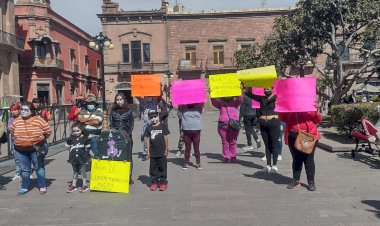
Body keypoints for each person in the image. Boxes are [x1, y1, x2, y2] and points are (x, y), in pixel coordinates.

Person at [10, 103, 52, 195]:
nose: (23, 112)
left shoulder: (38, 120)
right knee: (25, 169)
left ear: (31, 111)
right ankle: (24, 186)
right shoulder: (17, 121)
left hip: (36, 149)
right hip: (20, 149)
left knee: (38, 167)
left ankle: (42, 186)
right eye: (22, 110)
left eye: (26, 110)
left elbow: (48, 130)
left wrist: (40, 139)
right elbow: (12, 131)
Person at [279, 109, 322, 191]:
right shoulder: (289, 105)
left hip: (308, 135)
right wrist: (281, 108)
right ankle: (295, 180)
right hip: (292, 135)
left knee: (308, 159)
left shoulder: (309, 104)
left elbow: (318, 120)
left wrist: (317, 110)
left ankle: (311, 182)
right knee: (296, 159)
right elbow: (282, 118)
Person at [245, 87, 281, 173]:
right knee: (267, 145)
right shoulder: (260, 98)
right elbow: (249, 94)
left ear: (272, 89)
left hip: (274, 122)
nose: (266, 90)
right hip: (263, 123)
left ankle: (274, 166)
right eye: (264, 89)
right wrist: (245, 87)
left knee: (274, 144)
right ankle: (268, 165)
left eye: (268, 88)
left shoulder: (276, 97)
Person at [109, 93, 135, 184]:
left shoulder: (129, 111)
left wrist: (126, 136)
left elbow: (131, 125)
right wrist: (113, 134)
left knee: (128, 157)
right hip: (115, 137)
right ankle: (119, 176)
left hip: (127, 137)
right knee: (116, 156)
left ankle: (128, 176)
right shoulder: (113, 111)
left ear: (124, 99)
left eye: (120, 99)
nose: (119, 101)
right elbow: (111, 124)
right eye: (117, 100)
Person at [211, 95, 243, 163]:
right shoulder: (232, 102)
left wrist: (240, 92)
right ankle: (230, 156)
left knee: (227, 141)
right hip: (230, 123)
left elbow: (240, 99)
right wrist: (212, 95)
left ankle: (228, 156)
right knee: (231, 141)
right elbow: (214, 102)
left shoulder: (225, 102)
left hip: (225, 123)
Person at [144, 110, 170, 191]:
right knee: (153, 168)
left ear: (158, 116)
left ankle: (163, 182)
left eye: (155, 116)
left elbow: (166, 137)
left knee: (163, 167)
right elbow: (147, 140)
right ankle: (154, 182)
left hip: (162, 151)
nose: (153, 119)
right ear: (149, 118)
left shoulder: (163, 126)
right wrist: (148, 152)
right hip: (153, 152)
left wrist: (166, 149)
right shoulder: (148, 128)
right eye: (151, 117)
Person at [178, 103, 204, 169]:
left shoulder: (199, 107)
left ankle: (198, 163)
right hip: (186, 131)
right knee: (187, 148)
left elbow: (203, 102)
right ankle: (186, 163)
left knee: (196, 148)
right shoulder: (184, 107)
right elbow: (178, 106)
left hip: (197, 131)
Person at [65, 123, 90, 193]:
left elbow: (87, 148)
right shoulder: (71, 139)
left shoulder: (85, 138)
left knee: (83, 171)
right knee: (75, 171)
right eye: (74, 131)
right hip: (73, 158)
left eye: (78, 131)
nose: (76, 132)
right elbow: (67, 146)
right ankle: (73, 185)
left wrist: (85, 155)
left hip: (82, 158)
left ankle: (84, 185)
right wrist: (71, 150)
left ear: (81, 130)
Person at [78, 93, 103, 159]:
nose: (90, 104)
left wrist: (85, 121)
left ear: (95, 103)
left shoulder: (99, 110)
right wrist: (91, 119)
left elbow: (97, 121)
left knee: (96, 150)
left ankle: (97, 160)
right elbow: (80, 119)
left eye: (92, 103)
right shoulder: (83, 111)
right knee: (84, 150)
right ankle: (88, 160)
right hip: (85, 134)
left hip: (95, 134)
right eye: (89, 103)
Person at [138, 96, 159, 161]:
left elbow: (160, 95)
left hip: (154, 123)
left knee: (155, 138)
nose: (148, 96)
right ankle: (145, 153)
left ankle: (155, 152)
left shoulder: (155, 100)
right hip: (146, 124)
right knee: (145, 139)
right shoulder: (143, 101)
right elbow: (137, 96)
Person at [7, 103, 21, 181]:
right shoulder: (10, 119)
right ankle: (17, 173)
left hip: (23, 141)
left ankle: (27, 173)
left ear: (19, 110)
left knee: (25, 158)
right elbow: (9, 129)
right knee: (16, 158)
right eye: (12, 110)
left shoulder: (22, 118)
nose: (13, 112)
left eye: (15, 110)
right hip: (14, 141)